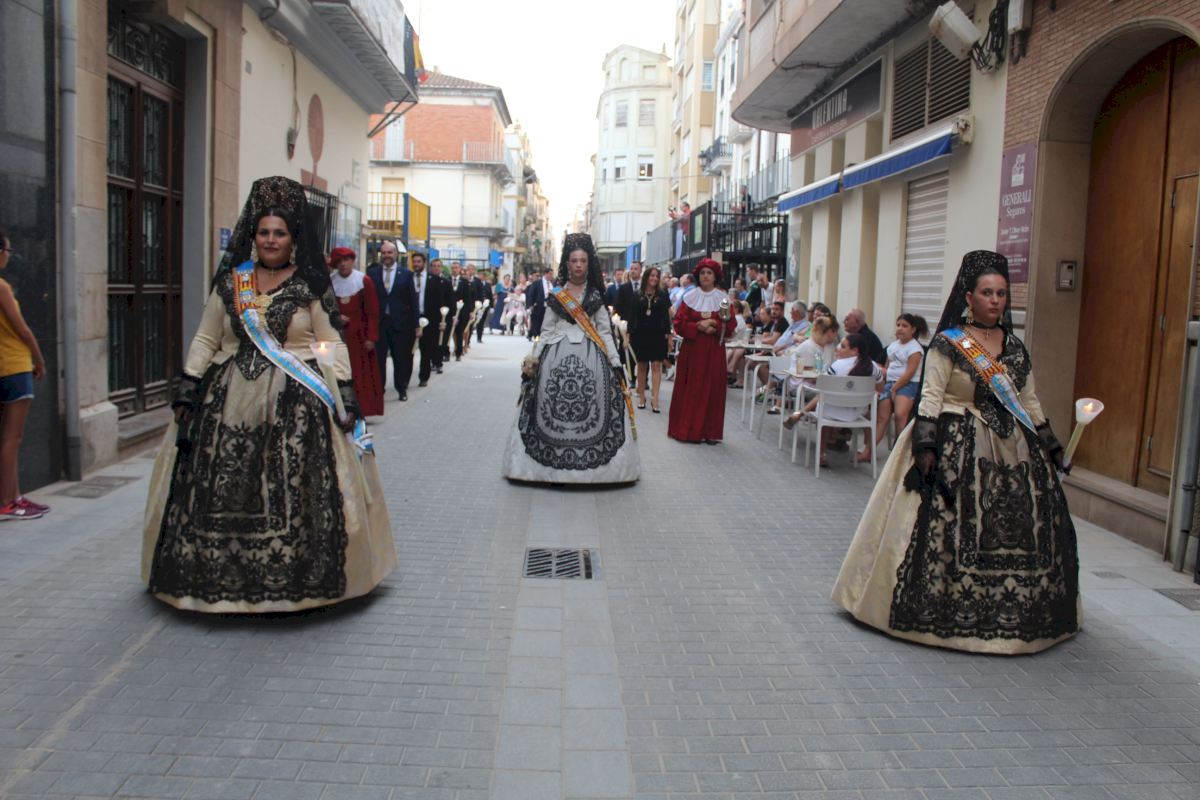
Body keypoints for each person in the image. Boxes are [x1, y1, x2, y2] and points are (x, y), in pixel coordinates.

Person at [142, 176, 396, 613]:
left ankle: (298, 581)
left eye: (279, 232)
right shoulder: (231, 284)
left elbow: (330, 342)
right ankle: (220, 580)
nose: (271, 240)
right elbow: (206, 338)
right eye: (264, 232)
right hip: (226, 399)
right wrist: (189, 384)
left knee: (298, 488)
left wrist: (345, 393)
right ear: (253, 236)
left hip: (297, 400)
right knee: (223, 485)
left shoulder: (311, 285)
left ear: (292, 238)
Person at [832, 250, 1078, 655]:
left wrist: (1051, 444)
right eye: (987, 293)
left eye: (1001, 293)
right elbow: (931, 394)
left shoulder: (1014, 348)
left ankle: (1012, 614)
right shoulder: (949, 344)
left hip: (1010, 446)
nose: (995, 300)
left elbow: (1028, 400)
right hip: (955, 437)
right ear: (969, 297)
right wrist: (925, 445)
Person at [502, 233, 640, 484]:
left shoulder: (596, 296)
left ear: (589, 264)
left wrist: (615, 362)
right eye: (574, 261)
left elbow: (604, 333)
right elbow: (546, 332)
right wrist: (534, 361)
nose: (578, 265)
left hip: (593, 358)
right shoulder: (557, 295)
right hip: (555, 356)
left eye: (583, 261)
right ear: (567, 264)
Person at [0, 230, 49, 521]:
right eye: (8, 251)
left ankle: (15, 496)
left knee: (7, 436)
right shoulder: (2, 287)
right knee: (13, 437)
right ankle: (8, 500)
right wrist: (39, 359)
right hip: (14, 365)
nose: (9, 256)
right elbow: (23, 330)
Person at [668, 258, 737, 444]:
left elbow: (729, 325)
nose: (705, 276)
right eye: (703, 273)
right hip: (692, 350)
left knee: (712, 390)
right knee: (691, 389)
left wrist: (713, 324)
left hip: (714, 351)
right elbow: (679, 323)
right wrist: (698, 326)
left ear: (715, 277)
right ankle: (688, 430)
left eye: (709, 273)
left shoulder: (723, 300)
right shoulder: (690, 297)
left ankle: (710, 432)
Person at [330, 247, 383, 417]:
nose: (343, 264)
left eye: (346, 260)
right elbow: (326, 307)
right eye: (339, 261)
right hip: (338, 336)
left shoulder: (363, 280)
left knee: (361, 373)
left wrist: (371, 337)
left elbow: (372, 311)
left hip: (360, 337)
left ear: (352, 261)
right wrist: (336, 316)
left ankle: (363, 408)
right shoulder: (331, 281)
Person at [869, 313, 928, 460]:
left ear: (913, 329)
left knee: (900, 415)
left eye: (905, 326)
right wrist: (883, 386)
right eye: (898, 325)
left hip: (908, 385)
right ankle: (868, 451)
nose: (900, 328)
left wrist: (895, 389)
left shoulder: (915, 349)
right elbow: (888, 367)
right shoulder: (893, 346)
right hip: (890, 383)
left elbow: (910, 372)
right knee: (882, 417)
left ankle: (899, 454)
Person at [366, 241, 419, 401]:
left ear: (396, 254)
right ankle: (379, 390)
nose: (387, 256)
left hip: (400, 324)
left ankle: (401, 389)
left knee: (400, 358)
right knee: (379, 359)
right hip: (380, 323)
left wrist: (416, 325)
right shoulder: (372, 273)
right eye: (384, 253)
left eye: (390, 253)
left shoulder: (406, 274)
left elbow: (413, 301)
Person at [628, 266, 672, 413]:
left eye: (657, 276)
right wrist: (628, 336)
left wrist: (669, 335)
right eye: (652, 276)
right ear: (646, 277)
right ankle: (641, 397)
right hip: (640, 334)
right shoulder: (636, 295)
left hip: (657, 334)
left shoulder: (663, 295)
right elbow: (632, 316)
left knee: (656, 365)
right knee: (641, 366)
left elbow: (666, 316)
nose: (654, 278)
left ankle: (655, 398)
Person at [409, 251, 443, 387]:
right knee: (408, 350)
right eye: (414, 262)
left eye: (419, 262)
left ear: (424, 263)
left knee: (426, 350)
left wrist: (442, 321)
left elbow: (439, 302)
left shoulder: (433, 280)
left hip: (429, 319)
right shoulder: (408, 277)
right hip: (410, 318)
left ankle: (424, 376)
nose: (416, 264)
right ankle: (404, 378)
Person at [449, 263, 471, 359]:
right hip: (450, 311)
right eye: (453, 268)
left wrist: (469, 311)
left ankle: (459, 351)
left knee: (459, 331)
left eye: (456, 268)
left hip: (461, 311)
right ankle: (447, 352)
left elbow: (468, 298)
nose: (454, 269)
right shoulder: (447, 280)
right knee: (450, 331)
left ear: (459, 269)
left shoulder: (464, 282)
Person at [526, 266, 554, 339]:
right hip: (539, 306)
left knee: (547, 323)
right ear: (546, 274)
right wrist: (530, 305)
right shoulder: (537, 283)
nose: (551, 276)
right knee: (537, 323)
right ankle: (537, 338)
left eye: (552, 274)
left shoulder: (552, 284)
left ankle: (545, 337)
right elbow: (531, 295)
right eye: (550, 274)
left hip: (549, 307)